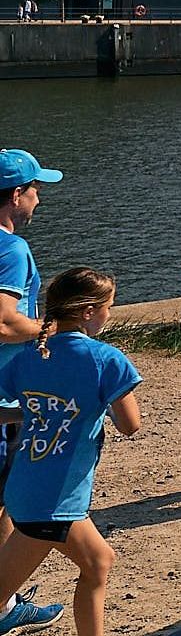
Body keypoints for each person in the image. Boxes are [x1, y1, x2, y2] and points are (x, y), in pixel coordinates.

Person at [0, 269, 142, 636]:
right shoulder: (105, 360)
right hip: (54, 499)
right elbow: (130, 425)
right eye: (109, 306)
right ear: (88, 311)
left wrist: (42, 410)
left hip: (27, 489)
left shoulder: (31, 356)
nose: (111, 313)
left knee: (98, 562)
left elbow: (3, 408)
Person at [0, 150, 60, 569]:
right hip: (3, 392)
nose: (39, 198)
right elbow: (3, 325)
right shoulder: (12, 250)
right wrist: (54, 330)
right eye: (36, 189)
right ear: (17, 194)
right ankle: (4, 605)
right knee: (5, 499)